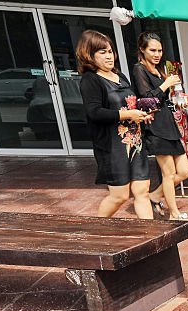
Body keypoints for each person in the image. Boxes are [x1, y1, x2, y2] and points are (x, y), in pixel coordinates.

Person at [77, 30, 153, 219]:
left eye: (110, 51)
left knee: (142, 191)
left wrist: (141, 115)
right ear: (89, 54)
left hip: (135, 142)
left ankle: (152, 239)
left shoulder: (120, 76)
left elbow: (131, 103)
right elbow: (94, 112)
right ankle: (97, 230)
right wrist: (128, 114)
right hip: (112, 147)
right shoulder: (91, 80)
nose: (109, 56)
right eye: (102, 52)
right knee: (119, 196)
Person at [132, 32, 188, 220]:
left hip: (168, 123)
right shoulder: (139, 69)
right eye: (152, 50)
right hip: (155, 126)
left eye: (159, 50)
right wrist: (166, 84)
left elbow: (162, 100)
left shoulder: (159, 71)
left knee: (184, 171)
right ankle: (173, 213)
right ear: (142, 50)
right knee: (168, 173)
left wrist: (180, 101)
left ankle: (156, 196)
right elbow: (147, 99)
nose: (157, 54)